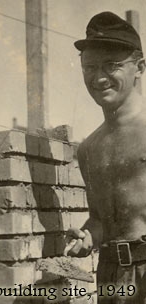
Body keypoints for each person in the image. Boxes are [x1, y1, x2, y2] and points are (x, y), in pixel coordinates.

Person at [66, 11, 146, 303]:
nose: (98, 77)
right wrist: (89, 236)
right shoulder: (88, 147)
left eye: (111, 65)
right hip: (109, 276)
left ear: (139, 67)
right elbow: (100, 218)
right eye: (90, 67)